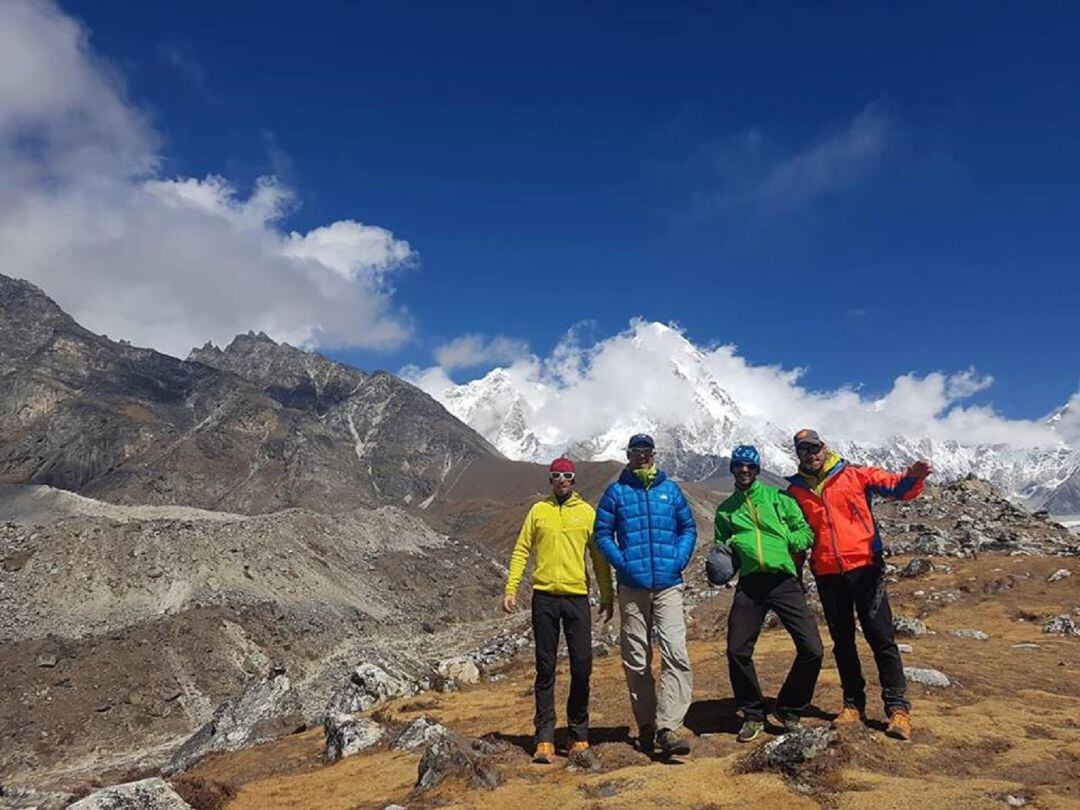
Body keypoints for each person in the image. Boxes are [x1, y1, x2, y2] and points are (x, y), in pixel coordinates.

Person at [785, 429, 932, 741]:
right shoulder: (795, 491)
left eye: (814, 448)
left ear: (824, 447)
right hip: (827, 572)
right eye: (803, 451)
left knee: (881, 638)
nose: (810, 455)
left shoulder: (854, 475)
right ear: (798, 455)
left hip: (865, 567)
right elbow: (798, 535)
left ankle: (898, 709)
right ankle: (853, 704)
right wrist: (795, 572)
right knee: (843, 642)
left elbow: (898, 488)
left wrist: (914, 477)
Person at [503, 457, 614, 764]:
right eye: (555, 475)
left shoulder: (587, 513)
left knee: (582, 667)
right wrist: (511, 588)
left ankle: (578, 732)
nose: (561, 479)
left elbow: (599, 558)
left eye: (566, 475)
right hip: (544, 598)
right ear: (550, 479)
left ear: (574, 479)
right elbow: (521, 549)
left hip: (577, 598)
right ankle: (544, 738)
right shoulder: (539, 511)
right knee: (545, 668)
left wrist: (607, 594)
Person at [594, 434, 697, 757]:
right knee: (637, 660)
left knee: (675, 652)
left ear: (654, 454)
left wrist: (678, 560)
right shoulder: (617, 492)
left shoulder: (670, 490)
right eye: (636, 451)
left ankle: (668, 726)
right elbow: (602, 533)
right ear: (628, 455)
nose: (642, 456)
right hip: (631, 585)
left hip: (668, 584)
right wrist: (622, 562)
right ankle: (647, 727)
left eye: (647, 451)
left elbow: (688, 528)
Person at [715, 445, 824, 743]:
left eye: (749, 466)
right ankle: (752, 713)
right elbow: (722, 548)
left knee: (813, 649)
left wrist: (786, 539)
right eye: (738, 466)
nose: (744, 470)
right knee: (737, 650)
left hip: (784, 581)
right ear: (733, 470)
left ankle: (788, 708)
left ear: (757, 469)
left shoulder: (779, 498)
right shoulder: (726, 510)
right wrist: (721, 562)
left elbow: (806, 534)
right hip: (750, 584)